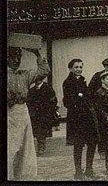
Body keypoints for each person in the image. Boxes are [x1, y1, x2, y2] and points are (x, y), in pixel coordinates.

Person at [8, 45, 50, 180]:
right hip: (8, 113)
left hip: (23, 111)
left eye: (18, 57)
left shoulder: (24, 74)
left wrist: (37, 54)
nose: (16, 60)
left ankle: (24, 176)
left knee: (26, 147)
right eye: (12, 58)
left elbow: (44, 71)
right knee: (10, 147)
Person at [63, 58, 100, 180]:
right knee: (78, 145)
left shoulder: (83, 81)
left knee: (92, 142)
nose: (79, 69)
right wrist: (81, 98)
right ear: (70, 68)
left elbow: (87, 98)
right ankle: (78, 172)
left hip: (88, 118)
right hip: (77, 119)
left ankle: (89, 169)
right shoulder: (68, 82)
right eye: (76, 67)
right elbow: (68, 102)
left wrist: (83, 98)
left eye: (80, 67)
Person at [27, 74, 58, 156]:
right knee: (37, 131)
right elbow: (28, 102)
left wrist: (49, 111)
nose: (36, 81)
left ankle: (41, 147)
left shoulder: (48, 88)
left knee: (41, 131)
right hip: (35, 115)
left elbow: (53, 101)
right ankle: (40, 146)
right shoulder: (31, 90)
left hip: (44, 114)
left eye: (38, 79)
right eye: (35, 79)